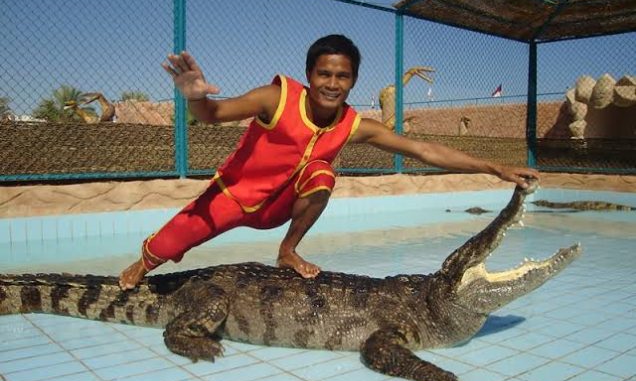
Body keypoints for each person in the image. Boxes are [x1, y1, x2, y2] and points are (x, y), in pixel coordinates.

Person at [119, 34, 539, 290]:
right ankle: (141, 264)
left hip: (281, 206)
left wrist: (495, 168)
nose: (332, 84)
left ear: (353, 80)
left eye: (342, 76)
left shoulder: (354, 124)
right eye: (324, 74)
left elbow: (423, 150)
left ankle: (287, 250)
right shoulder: (276, 97)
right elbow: (213, 114)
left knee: (322, 174)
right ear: (309, 74)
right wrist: (195, 97)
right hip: (232, 196)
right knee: (164, 249)